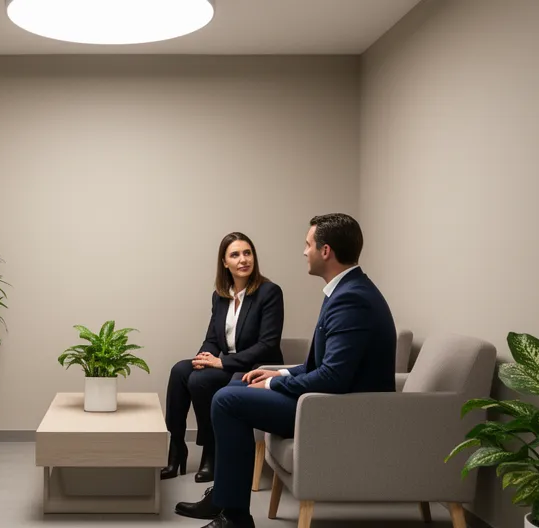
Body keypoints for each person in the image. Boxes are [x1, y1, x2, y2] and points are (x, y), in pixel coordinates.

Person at [174, 213, 397, 528]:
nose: (304, 251)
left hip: (339, 411)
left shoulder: (351, 300)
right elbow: (322, 364)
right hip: (329, 401)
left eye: (308, 244)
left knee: (227, 401)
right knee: (236, 384)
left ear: (325, 251)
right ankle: (223, 498)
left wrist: (271, 387)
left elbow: (333, 378)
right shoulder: (347, 290)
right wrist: (279, 374)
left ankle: (234, 518)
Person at [162, 232, 284, 483]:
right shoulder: (220, 295)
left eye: (247, 253)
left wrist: (221, 362)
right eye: (235, 255)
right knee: (180, 371)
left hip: (254, 368)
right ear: (225, 262)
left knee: (200, 381)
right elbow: (213, 339)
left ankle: (211, 450)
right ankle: (176, 447)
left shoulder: (269, 292)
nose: (243, 259)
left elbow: (267, 345)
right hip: (227, 365)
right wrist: (202, 358)